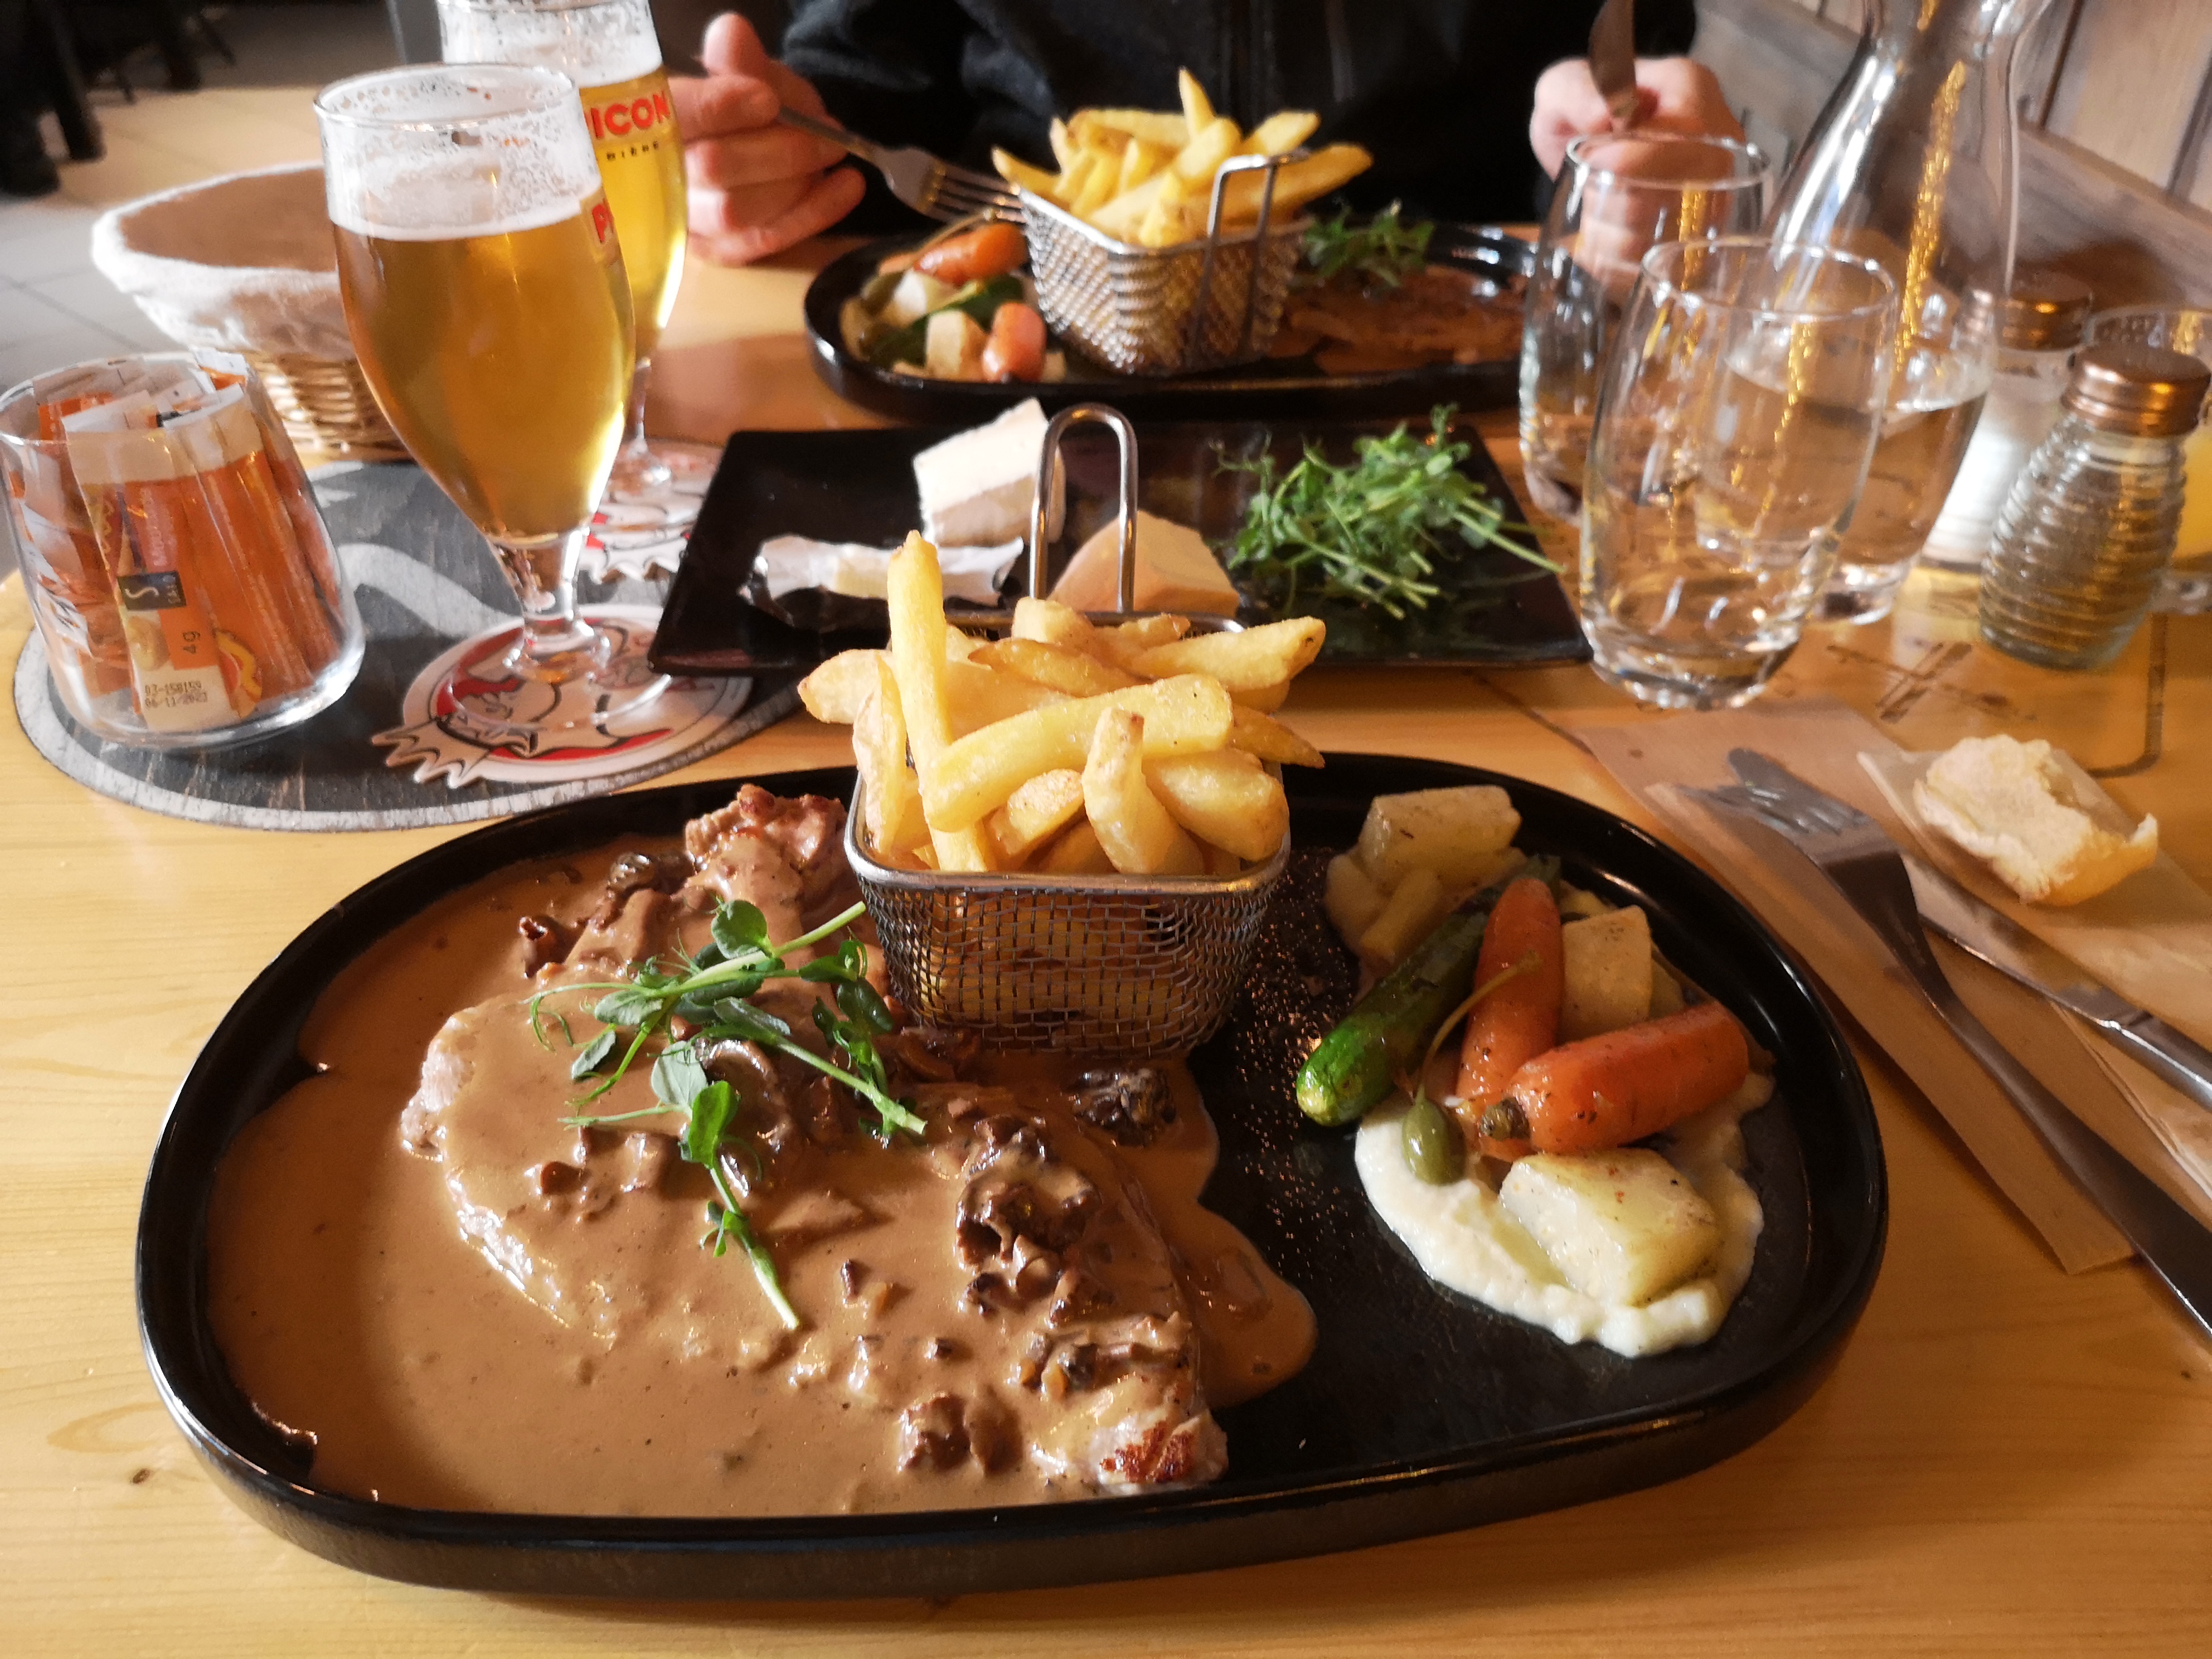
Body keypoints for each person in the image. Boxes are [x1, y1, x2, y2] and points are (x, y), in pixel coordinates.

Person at [666, 2, 1744, 266]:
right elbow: (869, 82)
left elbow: (1613, 52)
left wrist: (1623, 152)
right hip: (1019, 352)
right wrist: (785, 155)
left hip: (1450, 366)